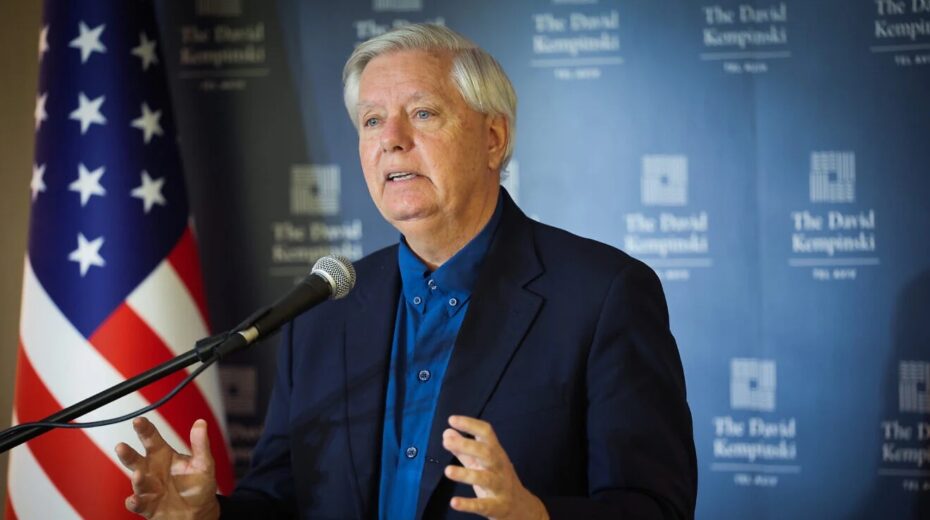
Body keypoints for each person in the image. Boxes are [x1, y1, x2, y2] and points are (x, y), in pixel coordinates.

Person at [115, 23, 697, 519]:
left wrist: (535, 514)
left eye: (423, 113)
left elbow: (655, 507)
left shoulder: (602, 295)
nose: (392, 140)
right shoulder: (322, 312)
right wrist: (211, 513)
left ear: (493, 139)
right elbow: (280, 500)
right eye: (372, 121)